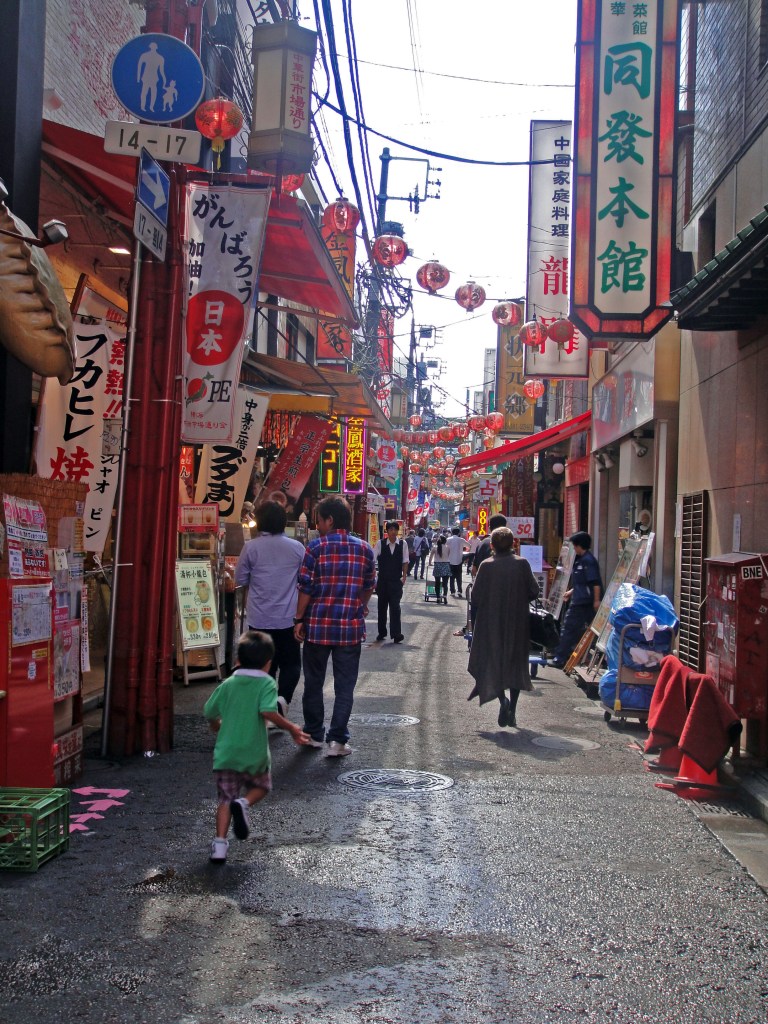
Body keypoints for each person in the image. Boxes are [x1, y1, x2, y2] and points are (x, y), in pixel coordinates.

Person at [203, 630, 310, 863]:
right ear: (268, 663)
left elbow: (209, 710)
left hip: (226, 753)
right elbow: (267, 711)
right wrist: (291, 727)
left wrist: (216, 724)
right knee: (262, 787)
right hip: (254, 753)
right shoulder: (267, 683)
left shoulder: (228, 683)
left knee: (224, 799)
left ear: (237, 660)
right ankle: (244, 803)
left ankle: (219, 846)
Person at [293, 496, 376, 756]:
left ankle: (314, 734)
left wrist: (298, 619)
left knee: (313, 682)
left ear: (330, 520)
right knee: (345, 686)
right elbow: (368, 586)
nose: (317, 525)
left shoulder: (315, 548)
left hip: (317, 626)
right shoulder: (364, 549)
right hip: (349, 629)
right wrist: (360, 605)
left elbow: (306, 588)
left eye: (319, 520)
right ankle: (337, 741)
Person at [235, 501, 306, 718]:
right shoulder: (297, 548)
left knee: (265, 664)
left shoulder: (251, 547)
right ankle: (282, 699)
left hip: (259, 617)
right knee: (291, 663)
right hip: (287, 618)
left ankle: (267, 705)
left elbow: (240, 578)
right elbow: (304, 580)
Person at [467, 527, 540, 728]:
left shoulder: (486, 566)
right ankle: (513, 710)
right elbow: (534, 591)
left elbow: (475, 597)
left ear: (492, 546)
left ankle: (502, 701)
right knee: (515, 665)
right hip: (517, 623)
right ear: (514, 543)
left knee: (492, 662)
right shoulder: (522, 564)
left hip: (490, 624)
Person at [547, 531, 603, 669]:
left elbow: (595, 582)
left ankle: (560, 658)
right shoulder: (580, 560)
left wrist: (597, 600)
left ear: (579, 545)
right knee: (582, 630)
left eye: (574, 545)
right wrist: (571, 592)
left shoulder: (588, 561)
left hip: (585, 602)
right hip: (580, 600)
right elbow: (582, 583)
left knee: (569, 628)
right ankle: (565, 656)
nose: (573, 547)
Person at [372, 520, 408, 642]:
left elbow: (405, 561)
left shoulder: (403, 544)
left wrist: (404, 577)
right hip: (382, 581)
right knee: (381, 608)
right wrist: (373, 576)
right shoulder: (380, 544)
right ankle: (382, 632)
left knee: (395, 608)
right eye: (390, 529)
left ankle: (396, 634)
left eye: (395, 529)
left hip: (395, 582)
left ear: (398, 531)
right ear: (387, 531)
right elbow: (372, 559)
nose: (393, 532)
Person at [445, 526, 469, 597]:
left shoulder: (448, 539)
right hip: (459, 560)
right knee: (459, 577)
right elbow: (469, 546)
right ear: (458, 533)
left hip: (450, 561)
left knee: (451, 577)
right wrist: (463, 550)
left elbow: (445, 547)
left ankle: (452, 591)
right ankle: (459, 591)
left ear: (452, 532)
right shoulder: (461, 540)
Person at [428, 533, 451, 604]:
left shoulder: (435, 548)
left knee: (437, 583)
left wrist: (430, 563)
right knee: (445, 583)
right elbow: (449, 555)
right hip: (446, 565)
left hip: (437, 565)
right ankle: (445, 596)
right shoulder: (448, 547)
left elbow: (431, 557)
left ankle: (438, 597)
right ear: (445, 541)